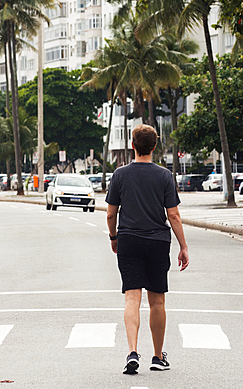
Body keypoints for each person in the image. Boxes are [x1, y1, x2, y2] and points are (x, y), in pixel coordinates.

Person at [106, 124, 189, 376]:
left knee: (132, 297)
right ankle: (157, 356)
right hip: (157, 242)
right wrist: (183, 246)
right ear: (154, 146)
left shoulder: (120, 175)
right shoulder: (164, 176)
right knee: (157, 300)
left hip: (129, 240)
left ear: (133, 145)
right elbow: (173, 215)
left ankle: (132, 352)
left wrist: (114, 237)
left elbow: (111, 213)